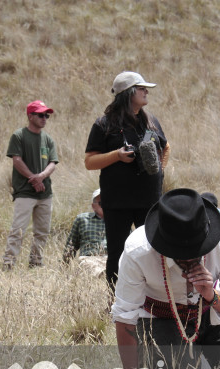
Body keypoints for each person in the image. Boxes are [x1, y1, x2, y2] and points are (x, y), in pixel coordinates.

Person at [112, 189, 220, 369]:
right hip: (162, 321)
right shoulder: (138, 250)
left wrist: (211, 295)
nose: (189, 257)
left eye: (197, 248)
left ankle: (201, 358)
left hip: (210, 314)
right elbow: (125, 317)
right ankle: (189, 365)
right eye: (181, 253)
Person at [85, 71, 170, 287]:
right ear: (128, 93)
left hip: (149, 200)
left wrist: (158, 169)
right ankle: (116, 301)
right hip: (117, 201)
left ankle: (151, 299)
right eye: (141, 88)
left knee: (152, 249)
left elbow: (166, 146)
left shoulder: (151, 121)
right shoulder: (104, 124)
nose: (146, 91)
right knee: (117, 253)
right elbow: (90, 161)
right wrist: (117, 155)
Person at [2, 100, 59, 269]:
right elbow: (17, 160)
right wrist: (34, 179)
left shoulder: (48, 139)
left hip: (45, 193)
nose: (44, 118)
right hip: (25, 191)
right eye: (40, 115)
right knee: (18, 230)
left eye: (46, 115)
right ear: (30, 116)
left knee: (42, 232)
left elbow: (53, 163)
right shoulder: (19, 136)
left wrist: (40, 177)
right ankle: (9, 264)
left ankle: (36, 263)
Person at [63, 189, 107, 276]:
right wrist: (64, 266)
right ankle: (104, 275)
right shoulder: (82, 219)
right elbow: (71, 245)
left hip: (112, 258)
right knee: (89, 266)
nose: (105, 205)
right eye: (101, 203)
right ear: (93, 206)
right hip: (89, 259)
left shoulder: (120, 220)